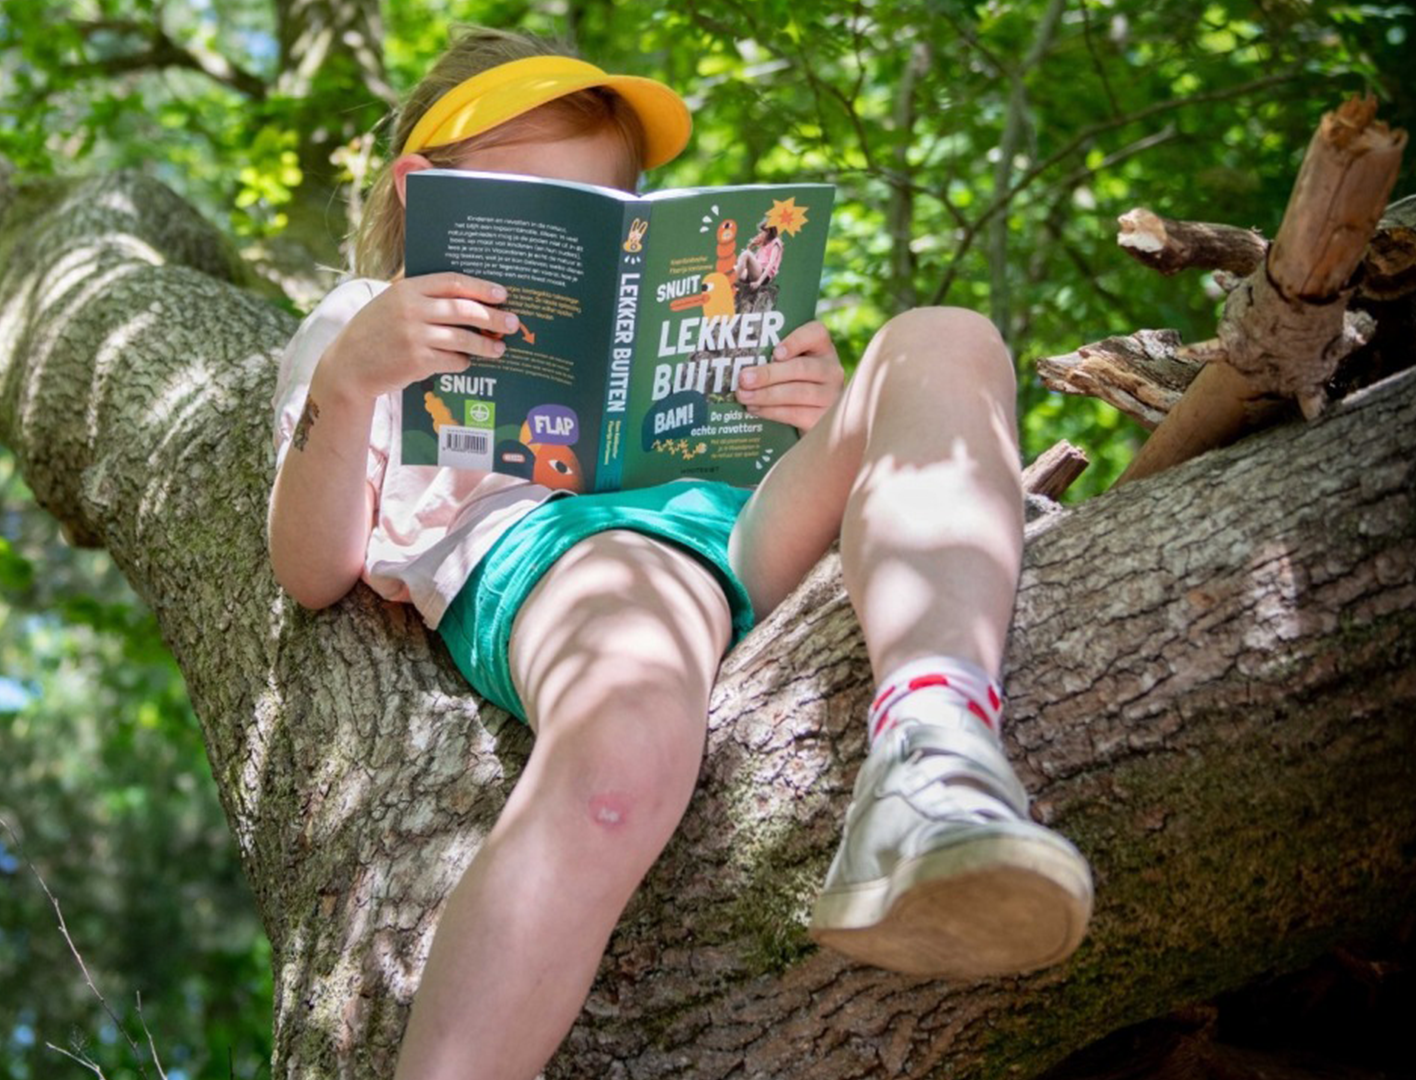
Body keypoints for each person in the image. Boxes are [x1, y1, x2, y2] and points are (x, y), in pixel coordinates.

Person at [267, 27, 1094, 1080]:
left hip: (741, 529)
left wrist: (820, 420)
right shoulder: (356, 323)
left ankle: (933, 760)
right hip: (557, 553)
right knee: (623, 749)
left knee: (945, 338)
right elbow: (310, 570)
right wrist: (346, 385)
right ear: (421, 191)